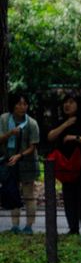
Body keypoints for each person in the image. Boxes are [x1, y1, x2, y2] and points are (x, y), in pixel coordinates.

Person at [45, 94, 81, 237]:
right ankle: (73, 228)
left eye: (71, 102)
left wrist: (75, 138)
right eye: (65, 102)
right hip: (66, 168)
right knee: (69, 197)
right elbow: (50, 136)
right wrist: (66, 125)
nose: (67, 105)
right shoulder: (61, 122)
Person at [2, 90, 40, 234]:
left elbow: (33, 146)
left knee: (28, 194)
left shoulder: (31, 123)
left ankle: (29, 225)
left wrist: (20, 155)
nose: (22, 107)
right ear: (13, 105)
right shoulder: (4, 120)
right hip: (10, 161)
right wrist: (11, 133)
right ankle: (15, 225)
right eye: (19, 104)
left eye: (25, 104)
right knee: (13, 192)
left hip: (27, 162)